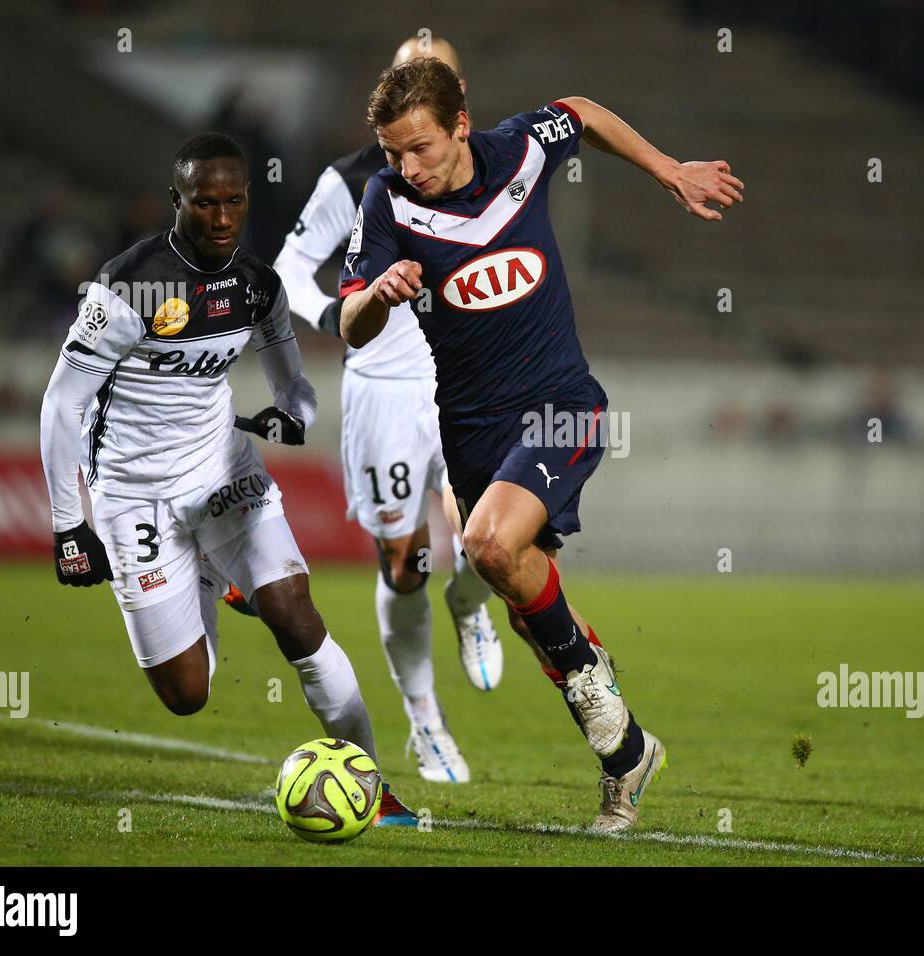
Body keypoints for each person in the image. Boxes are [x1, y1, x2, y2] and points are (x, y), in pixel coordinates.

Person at [338, 59, 744, 830]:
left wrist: (666, 170)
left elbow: (583, 109)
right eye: (393, 153)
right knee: (528, 610)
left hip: (562, 404)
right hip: (472, 432)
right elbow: (348, 318)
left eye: (420, 147)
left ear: (461, 125)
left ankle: (605, 708)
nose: (406, 166)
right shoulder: (386, 200)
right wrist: (378, 299)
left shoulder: (523, 149)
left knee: (488, 544)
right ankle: (626, 754)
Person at [39, 132, 414, 826]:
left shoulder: (256, 285)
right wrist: (70, 524)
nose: (220, 217)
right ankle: (215, 576)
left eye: (233, 202)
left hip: (223, 475)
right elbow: (63, 402)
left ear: (246, 200)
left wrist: (287, 417)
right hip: (135, 496)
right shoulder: (130, 285)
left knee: (295, 616)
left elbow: (296, 388)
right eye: (204, 202)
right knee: (188, 693)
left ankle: (375, 784)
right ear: (177, 201)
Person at [273, 36, 499, 785]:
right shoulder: (359, 178)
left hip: (467, 378)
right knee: (405, 565)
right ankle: (425, 722)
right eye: (403, 75)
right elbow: (289, 271)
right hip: (383, 389)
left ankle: (470, 603)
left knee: (486, 541)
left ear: (456, 92)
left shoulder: (490, 165)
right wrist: (344, 316)